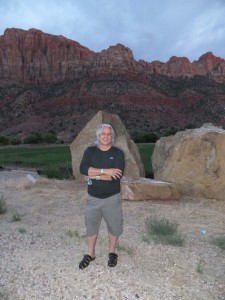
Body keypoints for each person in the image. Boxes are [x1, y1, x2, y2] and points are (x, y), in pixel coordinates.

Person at [79, 123, 125, 269]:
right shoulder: (90, 151)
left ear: (112, 137)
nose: (106, 136)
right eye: (103, 134)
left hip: (112, 198)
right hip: (93, 198)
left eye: (109, 134)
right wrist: (106, 171)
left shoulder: (118, 153)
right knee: (91, 226)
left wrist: (93, 175)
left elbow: (115, 177)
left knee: (114, 226)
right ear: (98, 136)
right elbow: (83, 169)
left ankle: (112, 252)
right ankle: (90, 254)